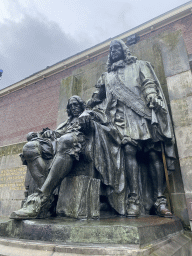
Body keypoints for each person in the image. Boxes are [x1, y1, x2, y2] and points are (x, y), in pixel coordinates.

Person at [87, 39, 175, 217]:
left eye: (116, 48)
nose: (113, 51)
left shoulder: (140, 65)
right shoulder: (107, 76)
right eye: (110, 50)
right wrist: (86, 107)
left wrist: (151, 96)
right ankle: (133, 199)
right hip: (120, 119)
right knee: (128, 150)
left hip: (142, 115)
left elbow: (148, 84)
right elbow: (96, 97)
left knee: (153, 153)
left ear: (124, 50)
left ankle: (160, 200)